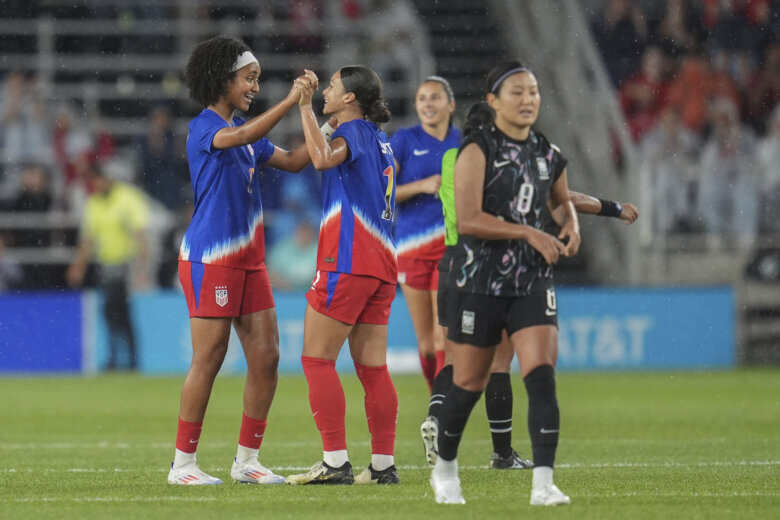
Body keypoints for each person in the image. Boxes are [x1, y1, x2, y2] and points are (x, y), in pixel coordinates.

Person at [422, 102, 639, 472]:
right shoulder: (501, 163)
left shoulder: (451, 160)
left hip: (452, 263)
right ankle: (502, 454)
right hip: (493, 263)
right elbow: (559, 198)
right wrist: (612, 208)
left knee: (455, 358)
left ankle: (435, 418)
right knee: (499, 362)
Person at [428, 61, 580, 506]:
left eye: (533, 91)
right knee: (468, 384)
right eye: (517, 91)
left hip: (531, 279)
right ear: (493, 100)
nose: (528, 99)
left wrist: (571, 225)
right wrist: (528, 232)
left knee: (541, 376)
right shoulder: (477, 149)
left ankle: (544, 484)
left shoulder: (547, 152)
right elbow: (470, 219)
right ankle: (445, 469)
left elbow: (561, 203)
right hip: (480, 280)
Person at [168, 35, 315, 486]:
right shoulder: (205, 127)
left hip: (250, 261)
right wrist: (289, 100)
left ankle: (247, 461)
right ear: (222, 79)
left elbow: (294, 160)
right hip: (211, 258)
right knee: (209, 357)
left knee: (267, 357)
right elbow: (245, 135)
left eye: (258, 79)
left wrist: (330, 124)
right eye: (249, 78)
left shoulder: (245, 133)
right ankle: (183, 465)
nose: (255, 86)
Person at [284, 65, 400, 486]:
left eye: (332, 86)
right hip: (382, 264)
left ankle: (335, 462)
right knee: (373, 368)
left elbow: (319, 159)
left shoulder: (351, 133)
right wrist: (323, 120)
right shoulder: (379, 139)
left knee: (316, 359)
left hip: (348, 261)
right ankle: (383, 466)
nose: (326, 91)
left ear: (350, 97)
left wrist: (303, 108)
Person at [391, 75, 460, 392]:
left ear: (451, 104)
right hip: (410, 248)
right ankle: (437, 398)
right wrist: (422, 185)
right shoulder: (404, 140)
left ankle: (441, 407)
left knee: (442, 336)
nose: (427, 104)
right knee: (427, 344)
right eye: (422, 99)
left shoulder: (464, 143)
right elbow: (383, 193)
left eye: (434, 97)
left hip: (450, 248)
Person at [66, 162, 149, 371]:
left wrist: (141, 269)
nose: (96, 186)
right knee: (113, 312)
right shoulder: (94, 203)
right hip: (105, 265)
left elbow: (140, 236)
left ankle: (127, 358)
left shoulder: (127, 198)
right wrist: (78, 266)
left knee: (118, 311)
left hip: (125, 263)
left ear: (107, 179)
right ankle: (123, 358)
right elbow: (88, 240)